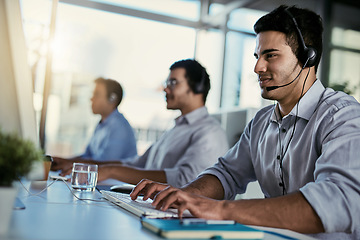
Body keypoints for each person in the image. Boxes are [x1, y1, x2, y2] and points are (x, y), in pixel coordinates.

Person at [130, 5, 360, 240]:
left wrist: (220, 210)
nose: (257, 67)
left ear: (307, 57)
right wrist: (183, 195)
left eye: (270, 55)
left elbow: (338, 199)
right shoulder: (261, 122)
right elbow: (227, 173)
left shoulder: (341, 116)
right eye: (257, 56)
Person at [51, 59, 229, 188]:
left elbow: (185, 180)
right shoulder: (176, 128)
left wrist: (111, 171)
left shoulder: (209, 132)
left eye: (173, 83)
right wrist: (90, 167)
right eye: (166, 83)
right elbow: (139, 162)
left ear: (196, 87)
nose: (166, 89)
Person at [52, 77, 137, 163]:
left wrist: (68, 163)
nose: (91, 99)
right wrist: (62, 161)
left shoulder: (119, 128)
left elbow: (103, 164)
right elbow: (87, 156)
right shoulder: (101, 124)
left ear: (112, 99)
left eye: (96, 94)